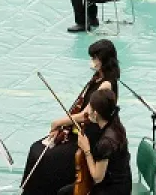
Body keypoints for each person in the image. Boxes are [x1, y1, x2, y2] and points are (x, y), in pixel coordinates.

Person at [20, 39, 118, 195]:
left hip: (88, 136)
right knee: (36, 148)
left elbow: (86, 114)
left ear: (104, 60)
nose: (92, 61)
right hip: (78, 131)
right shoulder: (97, 77)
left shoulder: (106, 84)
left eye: (95, 58)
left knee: (47, 157)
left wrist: (58, 122)